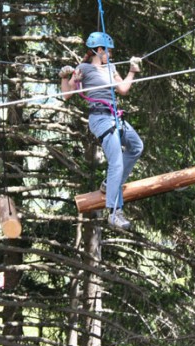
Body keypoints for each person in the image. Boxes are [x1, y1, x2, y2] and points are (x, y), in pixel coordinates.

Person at [59, 32, 143, 230]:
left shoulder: (111, 67)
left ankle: (109, 184)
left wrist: (132, 71)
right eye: (109, 51)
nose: (111, 54)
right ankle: (115, 212)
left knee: (136, 146)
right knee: (116, 163)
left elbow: (123, 89)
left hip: (115, 116)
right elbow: (67, 94)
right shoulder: (84, 68)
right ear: (99, 50)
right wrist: (67, 77)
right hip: (100, 118)